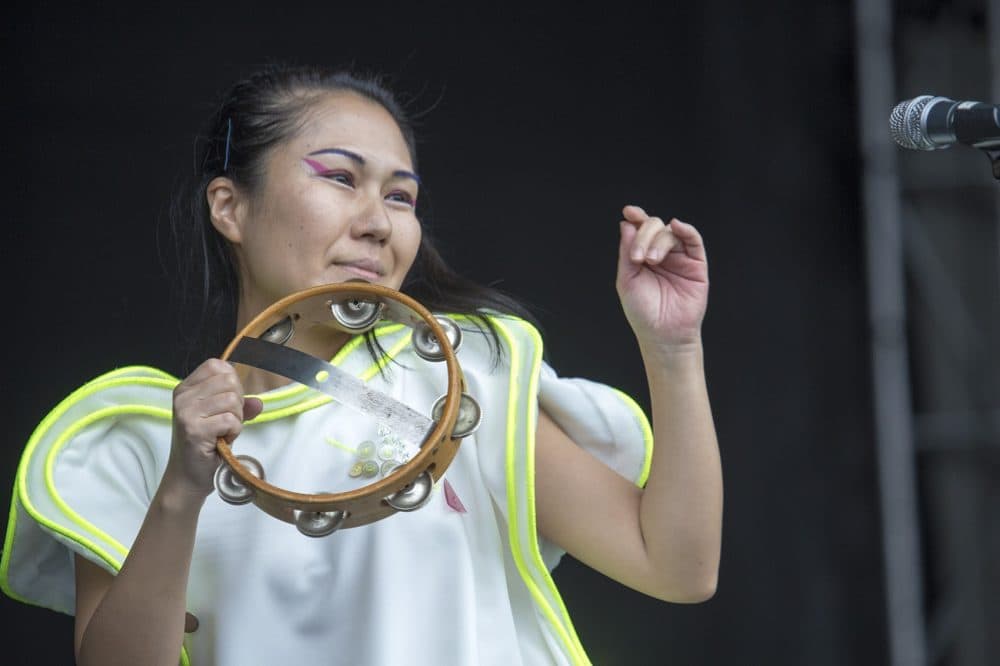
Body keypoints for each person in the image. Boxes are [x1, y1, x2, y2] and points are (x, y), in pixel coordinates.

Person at [0, 64, 722, 666]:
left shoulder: (460, 382)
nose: (378, 221)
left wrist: (674, 347)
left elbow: (678, 568)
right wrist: (183, 490)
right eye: (341, 178)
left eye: (400, 196)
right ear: (230, 206)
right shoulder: (137, 441)